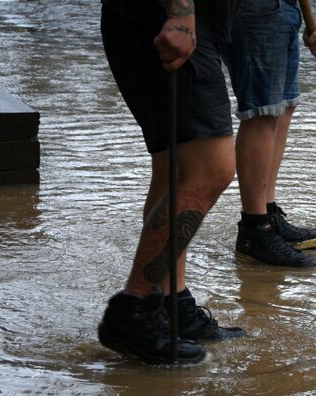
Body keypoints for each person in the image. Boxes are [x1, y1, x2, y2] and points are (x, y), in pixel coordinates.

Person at [97, 0, 246, 365]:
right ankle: (134, 310)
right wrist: (180, 13)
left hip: (173, 21)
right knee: (211, 167)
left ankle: (170, 304)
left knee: (174, 170)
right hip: (170, 20)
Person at [223, 0, 316, 268]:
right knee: (262, 111)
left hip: (286, 8)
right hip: (253, 7)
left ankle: (268, 213)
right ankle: (255, 229)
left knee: (283, 108)